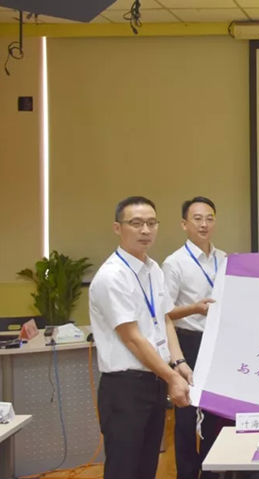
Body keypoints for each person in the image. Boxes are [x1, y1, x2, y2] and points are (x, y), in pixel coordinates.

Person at [89, 196, 192, 479]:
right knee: (124, 469)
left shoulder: (153, 269)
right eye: (136, 223)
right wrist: (171, 377)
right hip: (125, 387)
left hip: (153, 381)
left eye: (151, 223)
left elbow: (165, 318)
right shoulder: (112, 276)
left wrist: (178, 362)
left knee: (147, 467)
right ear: (117, 228)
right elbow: (132, 338)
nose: (145, 230)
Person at [162, 197, 227, 479]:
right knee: (187, 414)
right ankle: (187, 473)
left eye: (209, 218)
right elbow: (164, 313)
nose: (204, 224)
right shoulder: (174, 263)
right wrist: (195, 308)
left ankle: (213, 471)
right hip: (189, 342)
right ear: (184, 224)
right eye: (197, 219)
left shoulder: (225, 259)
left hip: (219, 343)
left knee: (216, 412)